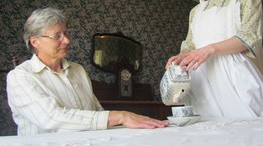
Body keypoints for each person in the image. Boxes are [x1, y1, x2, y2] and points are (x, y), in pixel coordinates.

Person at [7, 7, 168, 136]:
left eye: (66, 33)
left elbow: (96, 111)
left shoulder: (78, 70)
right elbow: (51, 118)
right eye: (57, 36)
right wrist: (122, 116)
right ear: (35, 42)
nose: (67, 40)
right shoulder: (20, 77)